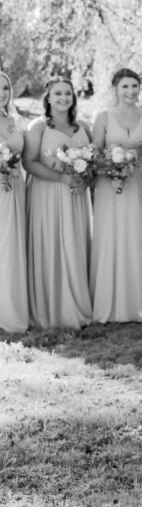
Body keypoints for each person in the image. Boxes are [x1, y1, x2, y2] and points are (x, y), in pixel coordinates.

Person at [24, 77, 93, 330]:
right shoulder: (38, 126)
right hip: (47, 194)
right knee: (51, 244)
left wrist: (86, 180)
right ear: (48, 98)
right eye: (58, 94)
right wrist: (62, 177)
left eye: (68, 93)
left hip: (76, 197)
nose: (64, 98)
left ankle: (77, 302)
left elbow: (93, 161)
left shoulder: (83, 125)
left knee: (74, 244)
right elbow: (29, 163)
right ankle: (52, 308)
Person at [89, 68, 142, 323]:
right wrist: (112, 171)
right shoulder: (104, 118)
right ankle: (110, 300)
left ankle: (141, 302)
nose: (130, 91)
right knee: (112, 236)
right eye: (125, 87)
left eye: (134, 86)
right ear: (115, 89)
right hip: (111, 186)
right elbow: (94, 154)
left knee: (141, 233)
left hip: (141, 183)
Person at [0, 71, 30, 333]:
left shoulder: (16, 121)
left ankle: (12, 306)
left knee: (12, 244)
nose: (2, 93)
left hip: (16, 187)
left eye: (5, 88)